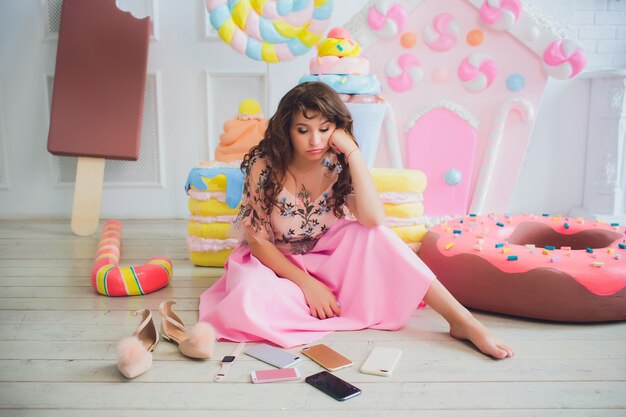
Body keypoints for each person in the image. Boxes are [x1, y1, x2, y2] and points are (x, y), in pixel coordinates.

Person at [199, 82, 514, 359]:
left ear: (337, 128)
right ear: (287, 129)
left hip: (328, 256)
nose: (314, 140)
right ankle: (308, 302)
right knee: (249, 299)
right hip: (274, 263)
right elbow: (259, 242)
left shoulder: (337, 161)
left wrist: (353, 154)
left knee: (379, 237)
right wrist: (307, 284)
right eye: (303, 130)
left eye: (324, 129)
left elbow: (374, 219)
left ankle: (463, 321)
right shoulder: (264, 165)